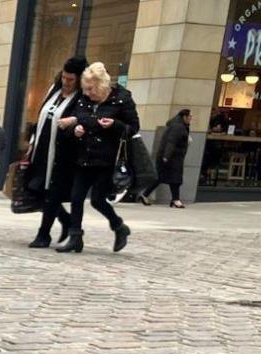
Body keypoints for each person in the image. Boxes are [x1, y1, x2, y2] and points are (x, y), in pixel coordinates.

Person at [58, 61, 137, 254]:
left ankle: (119, 227)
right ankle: (75, 237)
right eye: (85, 89)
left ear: (101, 86)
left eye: (90, 89)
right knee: (76, 197)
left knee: (97, 200)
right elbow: (76, 120)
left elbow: (132, 128)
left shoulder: (122, 99)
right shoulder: (84, 100)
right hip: (84, 155)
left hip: (107, 160)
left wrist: (115, 125)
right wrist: (74, 130)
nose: (87, 93)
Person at [23, 56, 86, 248]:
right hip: (42, 150)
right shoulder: (54, 91)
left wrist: (73, 124)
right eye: (64, 78)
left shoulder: (80, 100)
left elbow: (81, 123)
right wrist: (32, 143)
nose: (66, 82)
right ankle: (66, 221)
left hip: (62, 155)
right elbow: (41, 117)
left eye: (71, 80)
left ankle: (44, 235)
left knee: (52, 194)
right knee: (36, 190)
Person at [140, 109, 190, 208]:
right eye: (189, 117)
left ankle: (145, 195)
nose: (190, 119)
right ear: (184, 117)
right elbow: (171, 141)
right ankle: (176, 200)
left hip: (169, 156)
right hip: (172, 157)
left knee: (161, 177)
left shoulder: (177, 125)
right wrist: (166, 156)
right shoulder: (178, 127)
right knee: (175, 178)